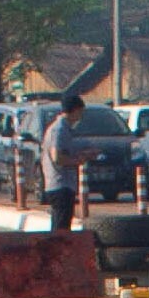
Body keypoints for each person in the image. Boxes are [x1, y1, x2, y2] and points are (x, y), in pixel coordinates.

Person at [37, 96, 85, 237]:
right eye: (81, 111)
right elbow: (57, 157)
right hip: (60, 185)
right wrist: (78, 161)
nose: (81, 116)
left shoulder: (64, 129)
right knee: (61, 229)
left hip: (63, 185)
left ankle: (56, 254)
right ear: (75, 110)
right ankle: (57, 255)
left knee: (60, 225)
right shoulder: (59, 130)